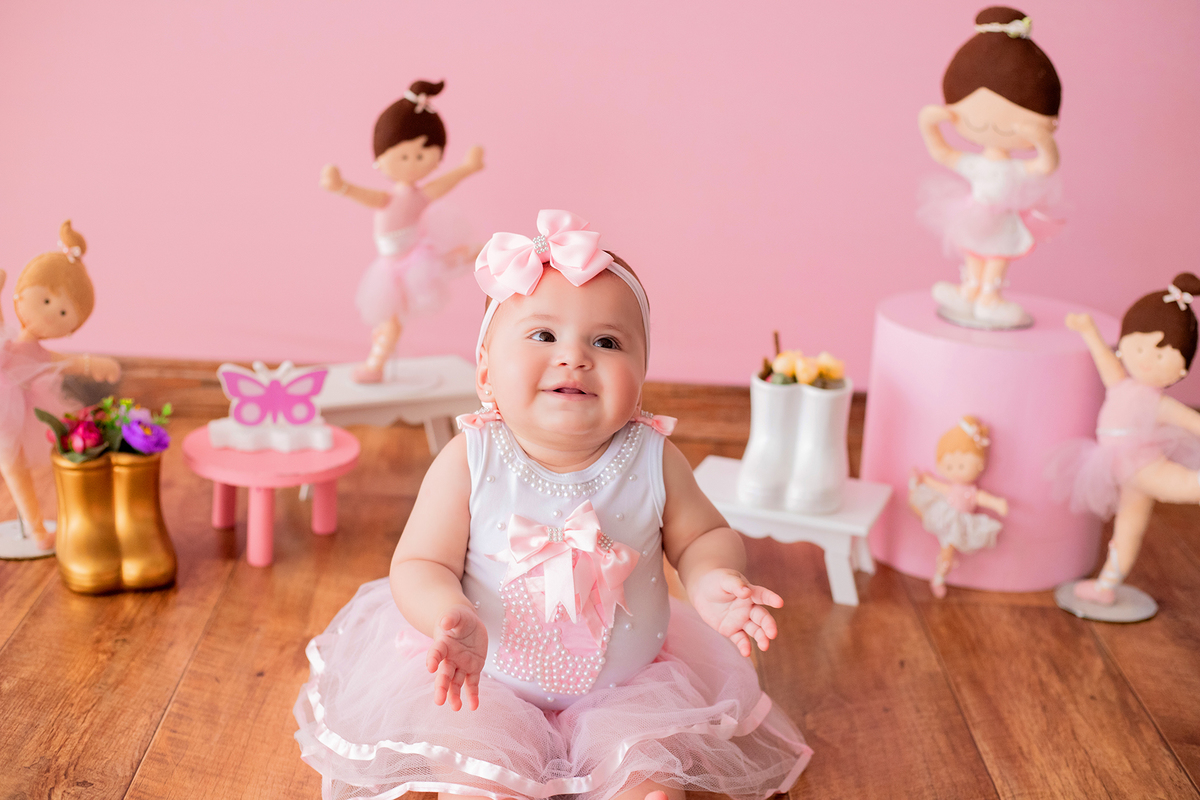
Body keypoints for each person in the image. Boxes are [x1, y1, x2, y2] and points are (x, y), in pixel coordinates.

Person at [295, 210, 812, 800]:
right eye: (543, 335)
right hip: (485, 678)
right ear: (485, 372)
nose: (575, 356)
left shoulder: (652, 457)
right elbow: (419, 564)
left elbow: (700, 536)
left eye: (607, 341)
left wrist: (715, 577)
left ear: (642, 375)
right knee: (479, 778)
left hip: (628, 689)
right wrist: (449, 614)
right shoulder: (472, 459)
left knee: (652, 786)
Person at [1050, 273, 1200, 605]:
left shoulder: (1158, 403)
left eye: (1161, 354)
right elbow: (1106, 361)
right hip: (1125, 472)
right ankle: (1107, 585)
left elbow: (1192, 422)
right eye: (1140, 345)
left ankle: (1107, 584)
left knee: (1187, 486)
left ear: (1181, 371)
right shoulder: (1121, 384)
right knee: (1128, 528)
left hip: (1147, 470)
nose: (1146, 358)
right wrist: (1088, 330)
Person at [320, 79, 484, 383]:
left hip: (418, 256)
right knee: (390, 319)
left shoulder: (417, 197)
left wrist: (467, 168)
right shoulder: (390, 199)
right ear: (381, 160)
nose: (412, 164)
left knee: (394, 317)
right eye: (404, 156)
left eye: (421, 156)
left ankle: (376, 364)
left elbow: (440, 185)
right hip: (397, 267)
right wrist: (340, 187)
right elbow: (367, 196)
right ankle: (376, 363)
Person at [918, 6, 1062, 326]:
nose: (993, 126)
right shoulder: (976, 164)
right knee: (973, 251)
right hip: (976, 214)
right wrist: (929, 125)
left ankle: (990, 296)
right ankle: (970, 290)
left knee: (997, 255)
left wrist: (1042, 140)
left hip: (1004, 219)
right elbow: (943, 154)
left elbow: (1046, 165)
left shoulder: (1014, 169)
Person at [0, 220, 121, 550]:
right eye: (47, 301)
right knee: (11, 465)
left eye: (64, 311)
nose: (52, 314)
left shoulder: (33, 348)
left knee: (14, 465)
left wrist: (92, 364)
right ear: (20, 294)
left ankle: (36, 530)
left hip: (14, 414)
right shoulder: (7, 338)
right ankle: (36, 530)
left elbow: (55, 361)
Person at [909, 416, 1008, 598]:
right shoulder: (951, 488)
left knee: (947, 548)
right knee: (920, 509)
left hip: (958, 522)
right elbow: (936, 485)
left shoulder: (970, 491)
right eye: (949, 465)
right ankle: (941, 571)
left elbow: (982, 498)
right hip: (944, 513)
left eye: (962, 465)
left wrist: (997, 504)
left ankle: (940, 575)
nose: (955, 470)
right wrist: (923, 479)